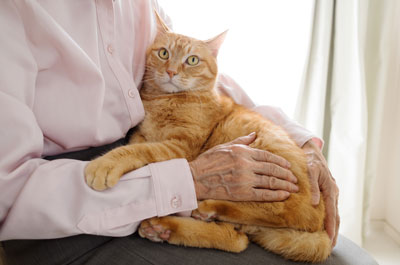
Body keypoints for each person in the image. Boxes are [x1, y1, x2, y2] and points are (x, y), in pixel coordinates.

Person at [0, 0, 339, 264]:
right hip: (62, 211)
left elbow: (199, 77)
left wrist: (301, 139)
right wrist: (188, 181)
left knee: (342, 258)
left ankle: (228, 230)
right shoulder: (13, 12)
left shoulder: (142, 6)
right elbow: (8, 192)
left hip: (154, 158)